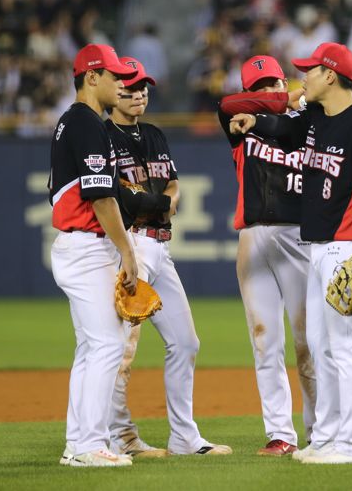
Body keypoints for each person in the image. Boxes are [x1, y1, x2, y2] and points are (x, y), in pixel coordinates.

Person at [229, 43, 352, 465]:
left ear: (332, 75)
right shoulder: (317, 118)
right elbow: (283, 130)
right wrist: (256, 118)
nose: (303, 77)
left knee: (349, 348)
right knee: (321, 347)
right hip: (319, 248)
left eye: (311, 71)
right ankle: (327, 439)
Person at [106, 56, 232, 457]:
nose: (139, 93)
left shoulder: (156, 134)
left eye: (143, 86)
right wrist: (157, 201)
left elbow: (173, 185)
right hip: (131, 245)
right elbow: (123, 196)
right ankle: (119, 437)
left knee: (186, 342)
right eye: (129, 86)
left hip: (160, 244)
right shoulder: (103, 136)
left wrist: (162, 200)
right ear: (113, 91)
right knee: (122, 349)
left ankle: (184, 437)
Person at [216, 55, 316, 456]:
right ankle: (280, 433)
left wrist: (290, 103)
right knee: (264, 340)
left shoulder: (307, 120)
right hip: (253, 238)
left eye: (274, 83)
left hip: (299, 236)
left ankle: (319, 429)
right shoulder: (240, 122)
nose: (269, 91)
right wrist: (281, 100)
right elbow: (225, 106)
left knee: (308, 341)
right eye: (258, 88)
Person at [49, 44, 139, 468]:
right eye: (115, 76)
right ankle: (89, 444)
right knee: (106, 345)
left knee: (91, 347)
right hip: (87, 246)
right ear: (91, 77)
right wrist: (128, 251)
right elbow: (101, 197)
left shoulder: (76, 122)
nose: (122, 83)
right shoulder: (86, 124)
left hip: (78, 244)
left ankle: (78, 443)